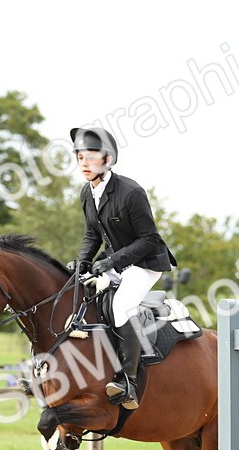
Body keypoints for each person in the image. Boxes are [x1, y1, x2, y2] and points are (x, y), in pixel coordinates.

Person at [69, 126, 176, 410]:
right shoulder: (87, 193)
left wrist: (112, 262)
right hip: (115, 261)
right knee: (79, 291)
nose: (84, 163)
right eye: (80, 157)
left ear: (108, 159)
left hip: (145, 262)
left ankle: (128, 380)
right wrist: (82, 262)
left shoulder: (131, 192)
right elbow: (92, 235)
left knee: (121, 305)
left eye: (91, 157)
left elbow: (149, 239)